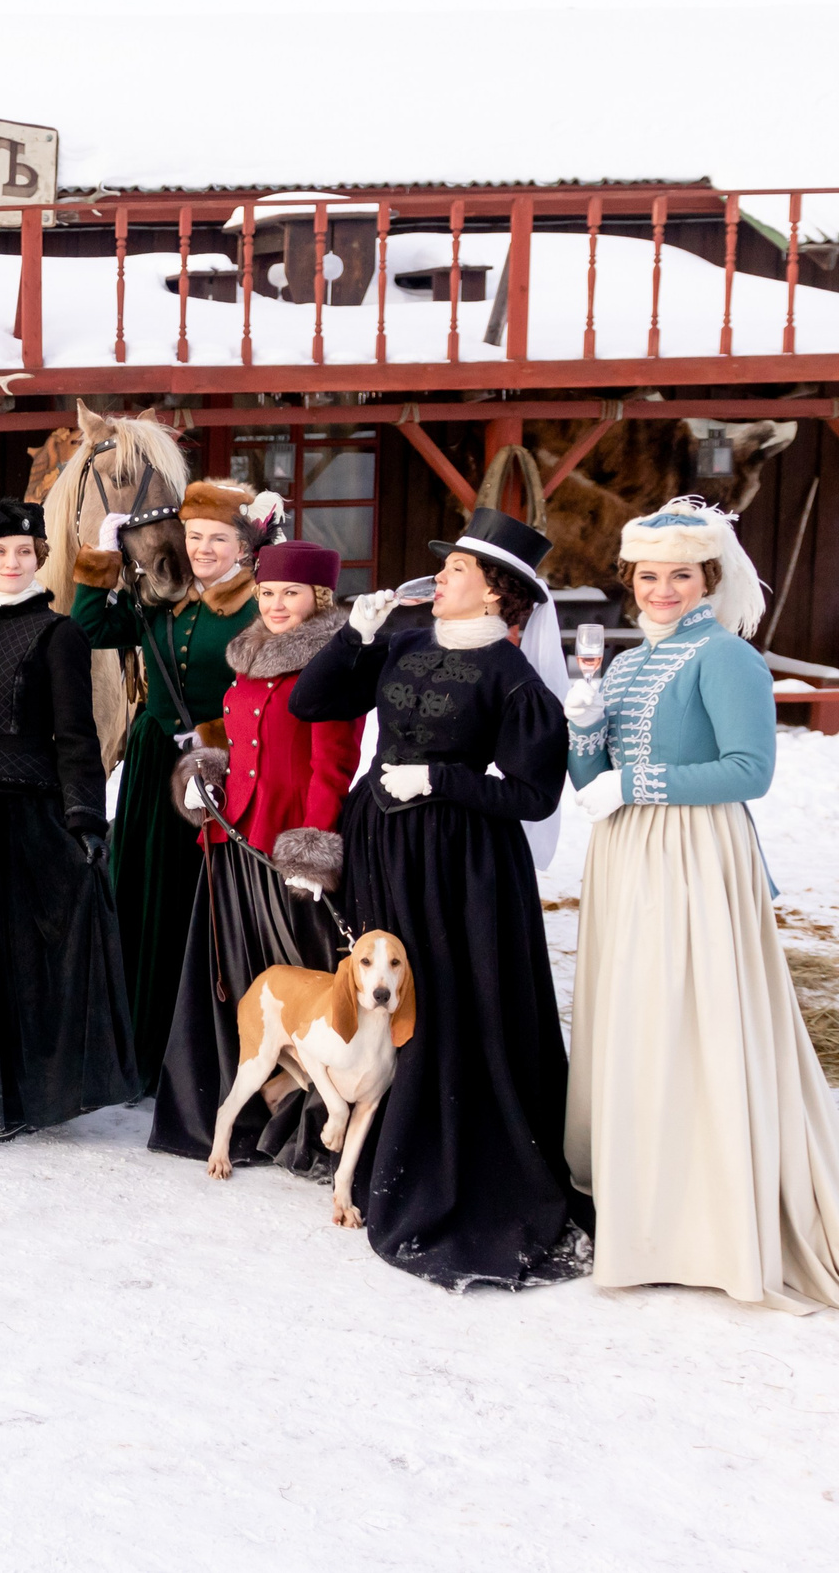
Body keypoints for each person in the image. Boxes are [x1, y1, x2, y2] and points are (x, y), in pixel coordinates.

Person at [564, 500, 839, 1321]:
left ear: (707, 580)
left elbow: (749, 770)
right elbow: (587, 785)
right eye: (647, 576)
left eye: (678, 575)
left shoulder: (725, 658)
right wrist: (584, 732)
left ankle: (703, 1218)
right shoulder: (618, 667)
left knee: (694, 1019)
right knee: (638, 1019)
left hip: (695, 857)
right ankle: (639, 1205)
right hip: (626, 856)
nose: (661, 589)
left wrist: (637, 783)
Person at [291, 506, 590, 1291]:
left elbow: (531, 795)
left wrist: (445, 780)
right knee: (381, 994)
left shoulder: (516, 680)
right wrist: (353, 635)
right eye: (448, 565)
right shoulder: (403, 640)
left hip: (459, 862)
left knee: (448, 999)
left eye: (457, 569)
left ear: (495, 593)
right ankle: (370, 1134)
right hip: (382, 842)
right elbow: (311, 705)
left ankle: (433, 1153)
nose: (442, 578)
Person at [151, 538, 364, 1173]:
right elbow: (240, 745)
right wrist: (208, 776)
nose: (275, 604)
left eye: (290, 593)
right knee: (241, 981)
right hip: (233, 841)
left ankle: (307, 1123)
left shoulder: (332, 666)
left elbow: (335, 768)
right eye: (267, 592)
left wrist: (312, 849)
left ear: (318, 598)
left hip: (288, 849)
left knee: (297, 979)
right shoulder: (247, 659)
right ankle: (249, 1106)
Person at [72, 478, 276, 1085]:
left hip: (223, 767)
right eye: (193, 537)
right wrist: (102, 559)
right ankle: (142, 1044)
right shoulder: (162, 600)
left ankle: (202, 1050)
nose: (203, 548)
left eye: (217, 537)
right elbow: (91, 628)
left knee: (202, 901)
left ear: (243, 545)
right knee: (142, 895)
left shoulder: (258, 604)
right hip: (152, 768)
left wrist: (215, 743)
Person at [0, 496, 138, 1141]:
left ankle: (30, 1101)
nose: (11, 562)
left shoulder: (61, 633)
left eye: (23, 552)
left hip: (32, 814)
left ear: (39, 560)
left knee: (31, 959)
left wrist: (85, 819)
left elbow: (76, 735)